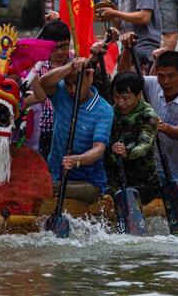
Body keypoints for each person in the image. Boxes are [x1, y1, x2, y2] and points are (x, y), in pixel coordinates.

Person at [36, 57, 113, 202]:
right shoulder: (61, 93)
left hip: (88, 182)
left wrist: (77, 160)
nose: (71, 90)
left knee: (48, 188)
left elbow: (99, 149)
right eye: (67, 84)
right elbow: (43, 82)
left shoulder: (103, 110)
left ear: (90, 76)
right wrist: (71, 66)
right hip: (56, 174)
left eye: (76, 84)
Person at [140, 49, 178, 189]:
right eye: (161, 76)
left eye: (171, 76)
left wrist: (162, 126)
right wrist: (126, 48)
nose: (165, 82)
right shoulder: (153, 84)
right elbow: (125, 78)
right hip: (149, 171)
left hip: (176, 176)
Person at [105, 71, 159, 202]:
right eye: (117, 97)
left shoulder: (149, 116)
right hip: (114, 178)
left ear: (139, 95)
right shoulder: (110, 111)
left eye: (126, 98)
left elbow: (144, 146)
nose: (121, 103)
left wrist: (127, 152)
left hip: (141, 179)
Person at [27, 19, 72, 159]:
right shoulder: (36, 64)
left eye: (64, 46)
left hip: (68, 128)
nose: (60, 52)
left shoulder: (76, 62)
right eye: (54, 48)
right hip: (41, 129)